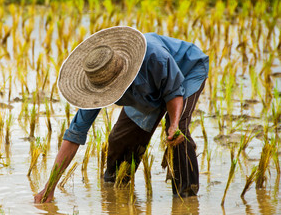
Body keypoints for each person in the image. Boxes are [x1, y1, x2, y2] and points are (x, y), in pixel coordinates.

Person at [34, 26, 209, 203]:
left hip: (187, 72)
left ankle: (186, 198)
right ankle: (115, 190)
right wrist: (50, 186)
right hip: (146, 90)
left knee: (178, 134)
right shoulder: (98, 82)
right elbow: (74, 135)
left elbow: (174, 91)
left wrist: (173, 124)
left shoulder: (155, 57)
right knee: (120, 139)